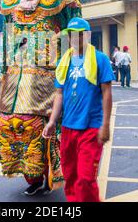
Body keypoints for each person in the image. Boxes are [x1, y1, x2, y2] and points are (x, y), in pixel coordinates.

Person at [0, 0, 82, 196]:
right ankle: (31, 176)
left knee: (46, 126)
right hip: (15, 81)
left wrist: (74, 76)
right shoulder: (13, 0)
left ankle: (51, 174)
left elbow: (73, 40)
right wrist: (2, 82)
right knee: (10, 125)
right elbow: (6, 42)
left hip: (48, 79)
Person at [42, 17, 113, 202]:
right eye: (72, 35)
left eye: (80, 35)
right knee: (71, 176)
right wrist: (51, 122)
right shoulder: (64, 62)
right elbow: (59, 94)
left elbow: (106, 93)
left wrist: (105, 125)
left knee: (86, 178)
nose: (75, 39)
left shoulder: (100, 59)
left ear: (88, 35)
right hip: (68, 128)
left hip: (91, 128)